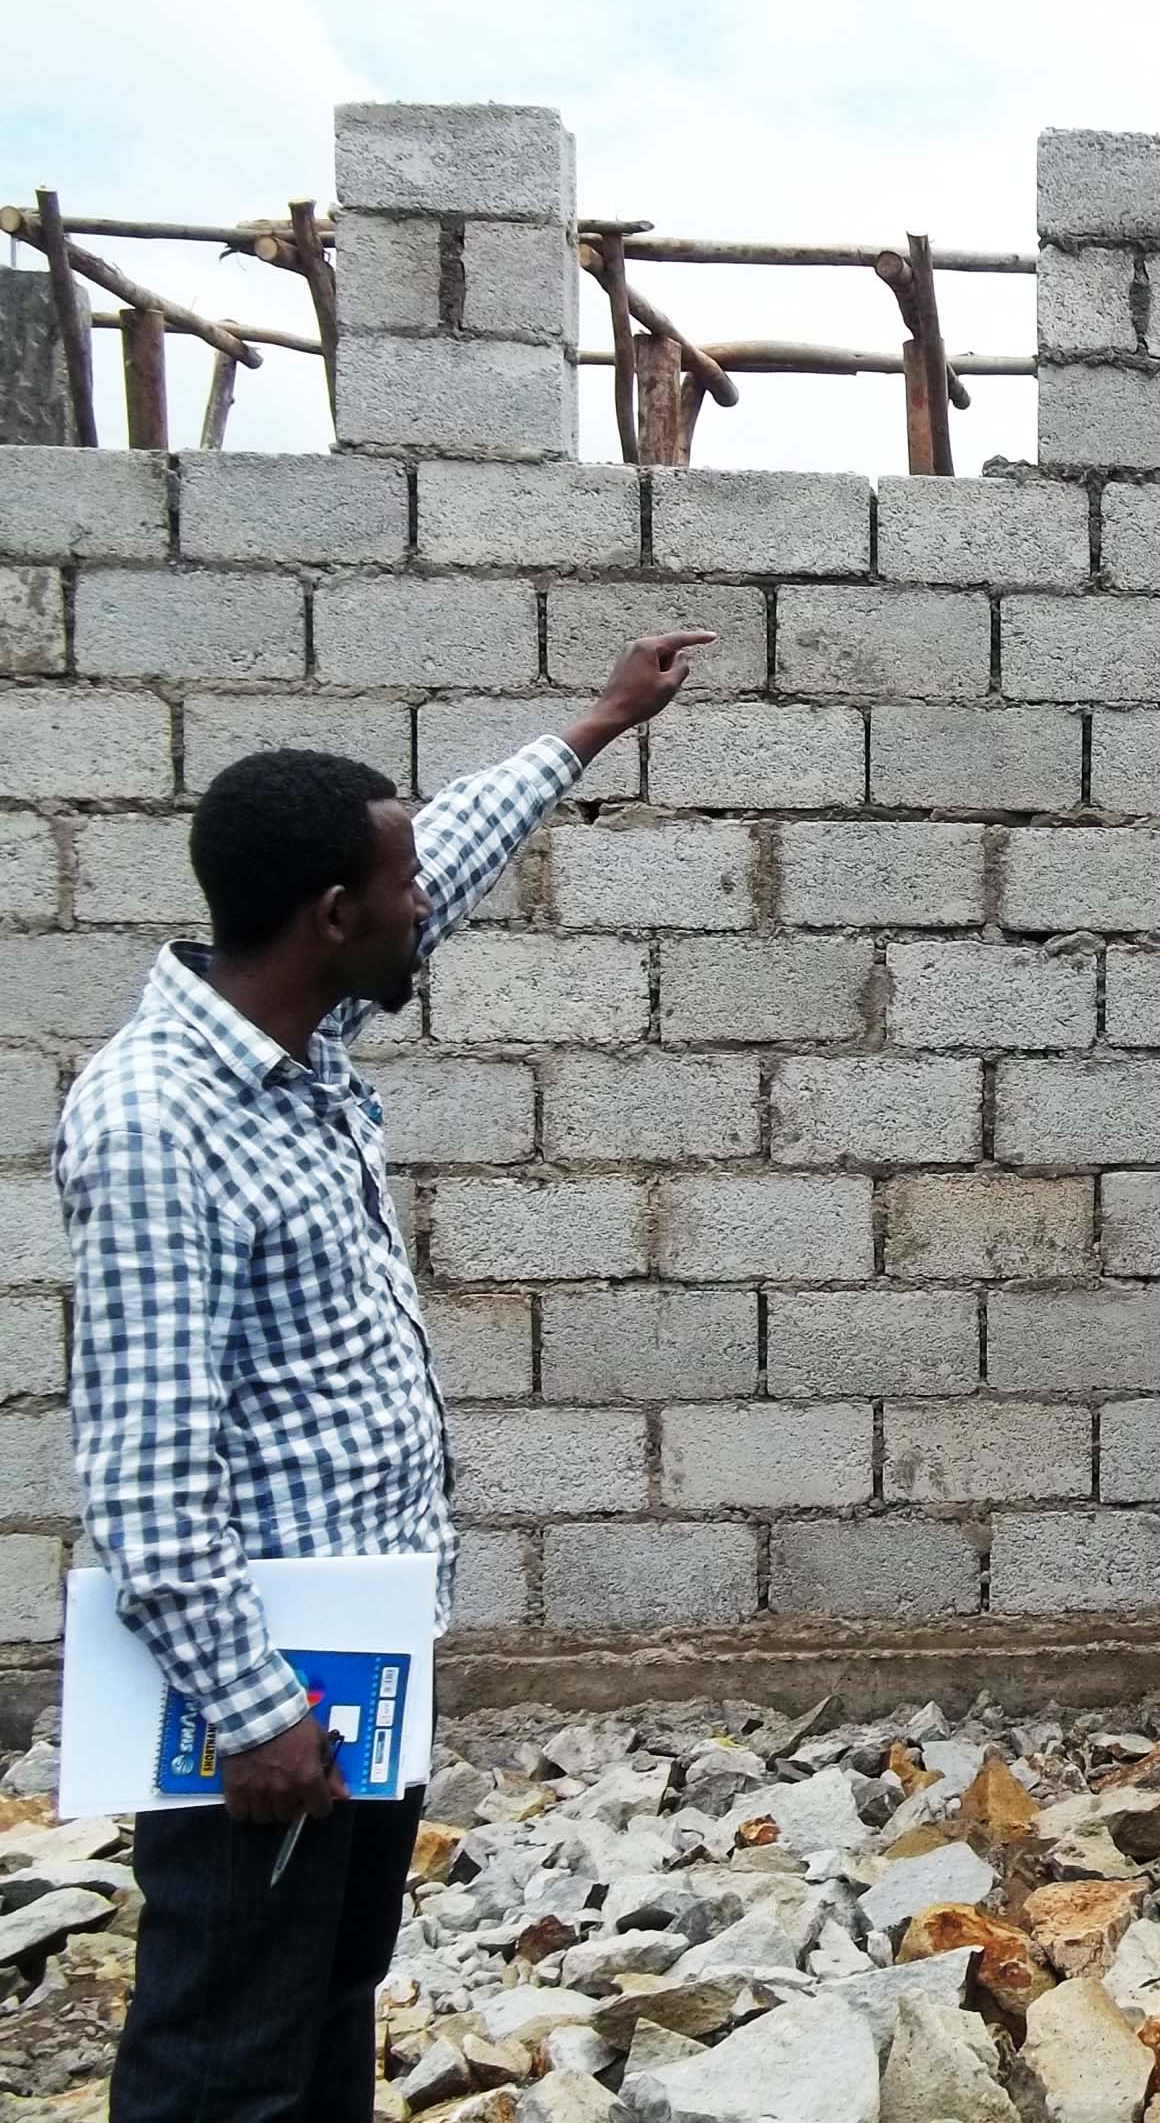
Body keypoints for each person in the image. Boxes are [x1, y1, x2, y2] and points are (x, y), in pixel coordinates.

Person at [56, 631, 711, 2123]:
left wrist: (595, 727)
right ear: (336, 915)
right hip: (261, 1699)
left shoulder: (297, 1034)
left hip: (360, 1664)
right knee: (223, 2054)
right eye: (401, 889)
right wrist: (252, 1712)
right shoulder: (158, 1118)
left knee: (324, 2007)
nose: (429, 906)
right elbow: (146, 1471)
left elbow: (453, 852)